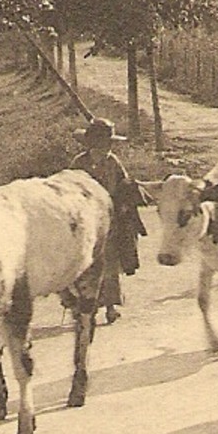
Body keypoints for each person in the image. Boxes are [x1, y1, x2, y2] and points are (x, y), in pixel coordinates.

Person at [70, 117, 146, 324]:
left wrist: (125, 202)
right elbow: (69, 189)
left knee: (109, 263)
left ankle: (110, 307)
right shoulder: (79, 163)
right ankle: (87, 308)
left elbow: (125, 185)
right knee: (84, 264)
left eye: (109, 143)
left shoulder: (113, 162)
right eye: (104, 143)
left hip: (109, 221)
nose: (107, 147)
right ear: (93, 143)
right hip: (86, 220)